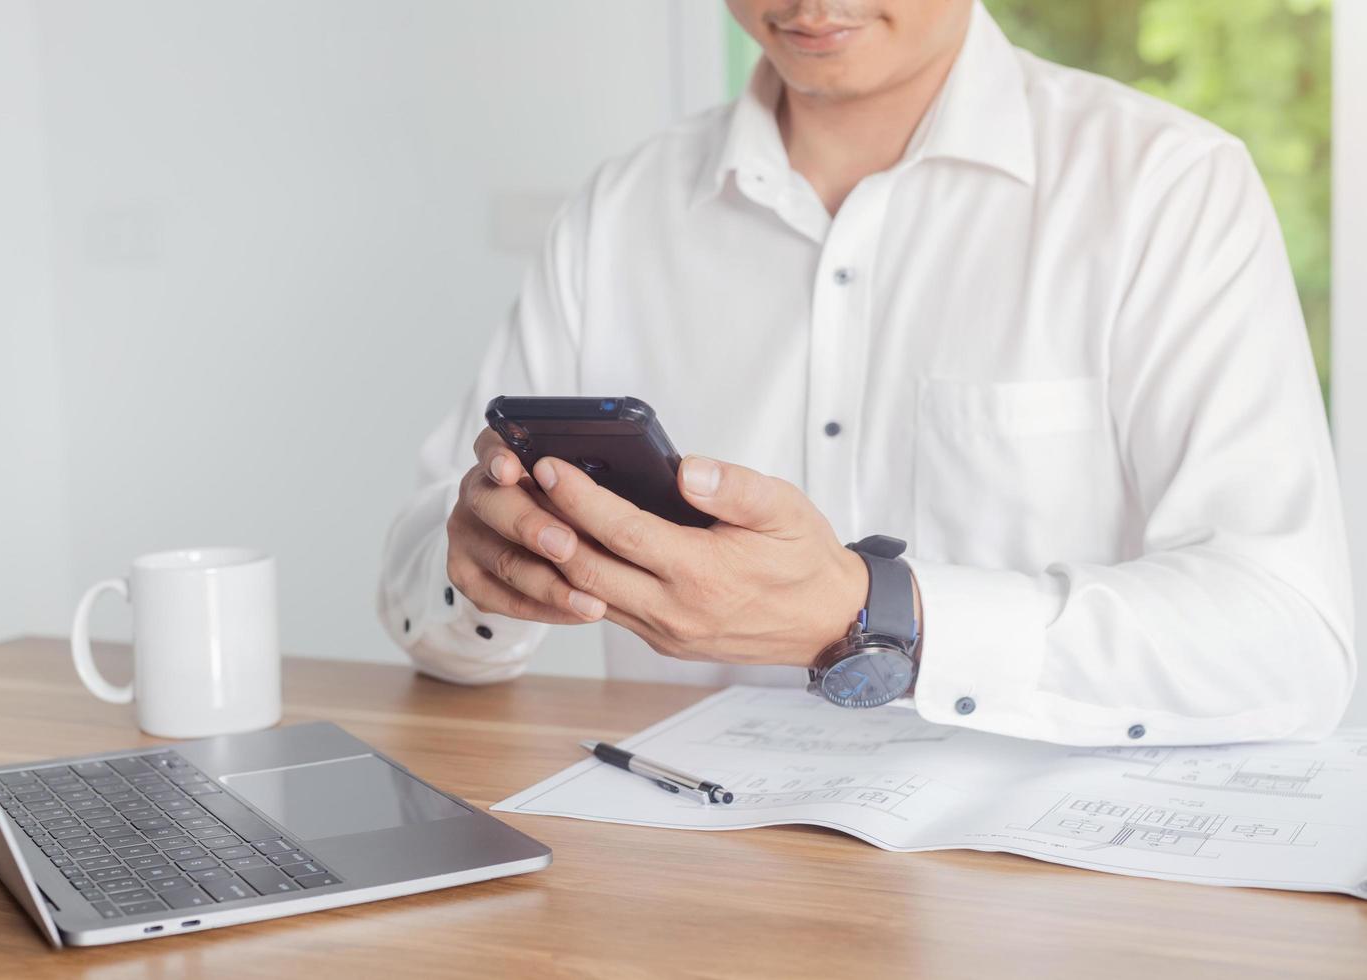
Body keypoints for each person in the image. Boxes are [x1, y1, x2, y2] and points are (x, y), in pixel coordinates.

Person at [378, 0, 1354, 745]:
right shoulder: (620, 212)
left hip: (1042, 905)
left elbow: (1291, 642)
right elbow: (424, 599)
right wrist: (486, 575)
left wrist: (873, 612)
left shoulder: (1166, 190)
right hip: (689, 887)